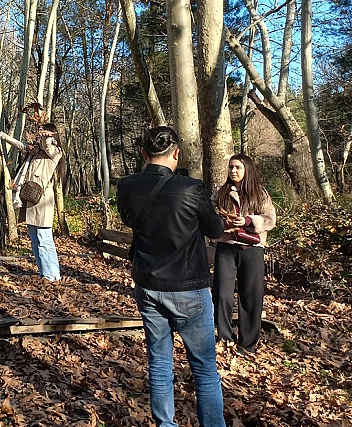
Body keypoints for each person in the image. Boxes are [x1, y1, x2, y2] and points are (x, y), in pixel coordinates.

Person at [116, 126, 225, 426]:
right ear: (176, 153)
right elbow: (215, 231)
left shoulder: (126, 186)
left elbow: (130, 220)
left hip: (148, 285)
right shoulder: (193, 189)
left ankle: (166, 424)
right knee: (204, 369)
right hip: (188, 287)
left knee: (160, 364)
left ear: (143, 154)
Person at [211, 154, 276, 355]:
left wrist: (248, 221)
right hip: (226, 247)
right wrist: (224, 223)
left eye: (238, 167)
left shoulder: (260, 194)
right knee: (222, 294)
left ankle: (247, 345)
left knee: (251, 295)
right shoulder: (220, 193)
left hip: (252, 249)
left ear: (247, 169)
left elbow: (270, 219)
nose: (233, 171)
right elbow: (209, 216)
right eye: (231, 167)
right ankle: (224, 339)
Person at [0, 116, 65, 281]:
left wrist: (48, 138)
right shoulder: (35, 151)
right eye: (39, 132)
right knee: (34, 239)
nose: (39, 135)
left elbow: (49, 147)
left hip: (42, 201)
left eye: (43, 132)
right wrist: (2, 135)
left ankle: (52, 274)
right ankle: (43, 272)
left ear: (52, 134)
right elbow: (21, 145)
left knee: (44, 238)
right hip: (29, 199)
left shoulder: (55, 152)